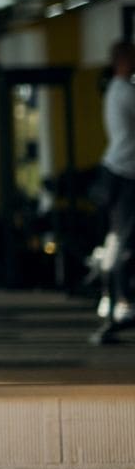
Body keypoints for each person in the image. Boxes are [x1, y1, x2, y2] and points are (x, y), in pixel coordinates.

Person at [92, 40, 135, 343]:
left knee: (117, 236)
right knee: (125, 238)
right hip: (125, 172)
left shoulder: (114, 91)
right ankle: (122, 303)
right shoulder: (125, 91)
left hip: (115, 171)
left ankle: (112, 299)